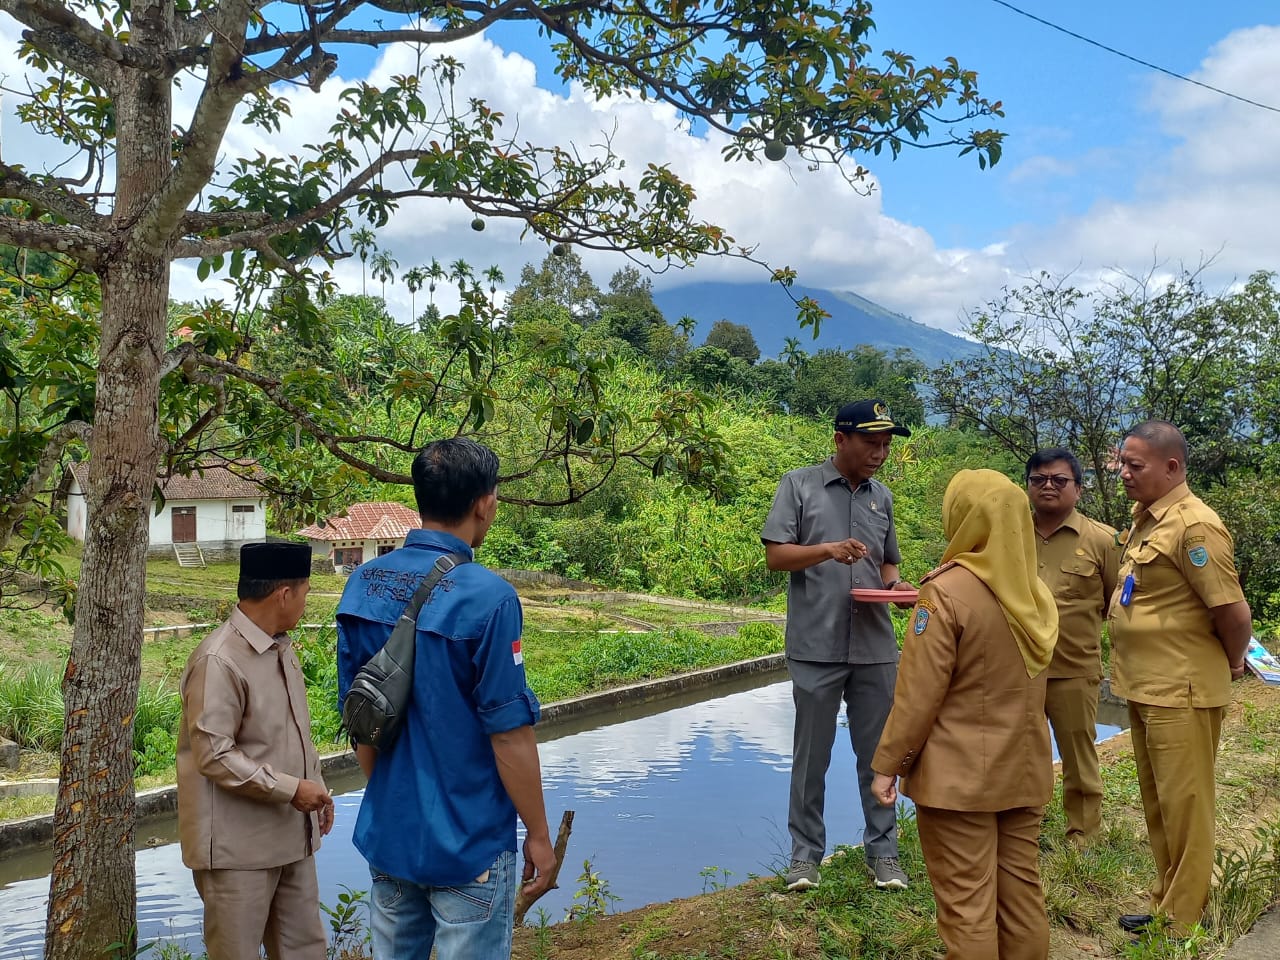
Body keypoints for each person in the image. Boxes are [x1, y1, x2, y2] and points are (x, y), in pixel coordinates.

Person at [336, 437, 554, 958]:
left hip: (391, 835)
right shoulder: (490, 598)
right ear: (484, 503)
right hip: (469, 842)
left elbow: (362, 720)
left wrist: (396, 794)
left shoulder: (362, 585)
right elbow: (509, 735)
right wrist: (540, 835)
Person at [872, 469, 1059, 960]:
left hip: (959, 780)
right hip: (1023, 770)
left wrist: (889, 764)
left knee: (966, 906)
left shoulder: (946, 593)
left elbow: (918, 696)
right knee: (1021, 899)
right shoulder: (1035, 594)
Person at [761, 398, 918, 893]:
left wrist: (895, 589)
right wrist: (828, 550)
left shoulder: (882, 498)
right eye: (871, 442)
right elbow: (776, 556)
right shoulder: (799, 486)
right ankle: (805, 857)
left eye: (886, 444)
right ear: (840, 439)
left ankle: (884, 853)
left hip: (875, 647)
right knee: (813, 756)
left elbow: (888, 564)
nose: (880, 452)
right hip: (817, 645)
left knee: (880, 755)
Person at [1110, 421, 1252, 938]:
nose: (1123, 473)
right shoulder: (1148, 518)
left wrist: (1234, 663)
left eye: (1135, 465)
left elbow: (1233, 613)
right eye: (1122, 463)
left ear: (1171, 468)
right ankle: (1166, 900)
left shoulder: (1195, 526)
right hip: (1147, 684)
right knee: (1160, 804)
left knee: (1187, 808)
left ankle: (1182, 922)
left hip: (1181, 688)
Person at [177, 541, 335, 960]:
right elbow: (213, 754)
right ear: (284, 594)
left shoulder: (280, 649)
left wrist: (316, 787)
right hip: (237, 851)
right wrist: (290, 790)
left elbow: (294, 734)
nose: (306, 602)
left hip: (291, 838)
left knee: (307, 951)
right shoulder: (219, 659)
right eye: (305, 592)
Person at [1026, 448, 1119, 845]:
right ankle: (1024, 830)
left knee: (1078, 757)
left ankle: (1082, 836)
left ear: (1078, 489)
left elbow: (1118, 605)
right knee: (1020, 756)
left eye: (1060, 480)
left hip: (1073, 669)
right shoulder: (1008, 535)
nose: (1049, 486)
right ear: (1027, 486)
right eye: (1039, 479)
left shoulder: (1103, 540)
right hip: (1018, 669)